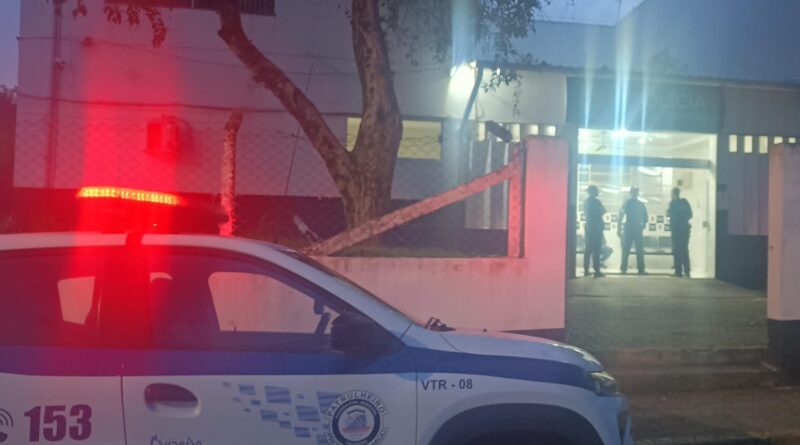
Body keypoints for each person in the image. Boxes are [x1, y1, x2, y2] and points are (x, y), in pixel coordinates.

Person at [618, 186, 648, 275]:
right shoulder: (639, 204)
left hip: (630, 228)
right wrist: (643, 225)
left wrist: (619, 229)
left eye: (636, 192)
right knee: (636, 249)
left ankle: (624, 269)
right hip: (635, 228)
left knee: (628, 249)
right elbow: (645, 217)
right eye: (635, 192)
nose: (635, 193)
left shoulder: (627, 203)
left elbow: (621, 216)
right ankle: (640, 269)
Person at [668, 187, 693, 278]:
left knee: (676, 250)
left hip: (676, 229)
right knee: (684, 250)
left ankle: (678, 271)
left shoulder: (672, 203)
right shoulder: (685, 202)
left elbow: (670, 215)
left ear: (673, 194)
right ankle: (687, 271)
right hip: (685, 229)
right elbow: (690, 215)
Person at [583, 185, 606, 278]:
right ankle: (597, 270)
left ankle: (586, 270)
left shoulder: (586, 202)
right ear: (593, 192)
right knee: (596, 250)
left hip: (589, 227)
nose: (598, 192)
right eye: (596, 191)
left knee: (588, 250)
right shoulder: (596, 202)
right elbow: (603, 211)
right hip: (596, 228)